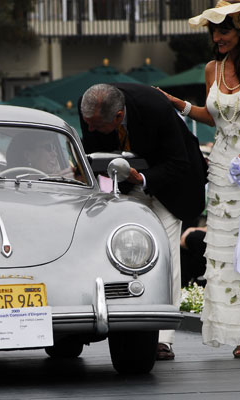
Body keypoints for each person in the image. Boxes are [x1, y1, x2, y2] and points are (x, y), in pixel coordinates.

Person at [159, 0, 240, 358]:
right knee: (226, 253)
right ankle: (238, 332)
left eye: (224, 31)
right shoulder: (211, 70)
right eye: (214, 31)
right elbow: (214, 117)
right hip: (221, 172)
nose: (217, 37)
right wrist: (178, 103)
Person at [79, 83, 207, 361]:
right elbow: (92, 154)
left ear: (118, 116)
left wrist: (143, 180)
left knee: (168, 255)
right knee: (126, 253)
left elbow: (178, 162)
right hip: (126, 185)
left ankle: (163, 338)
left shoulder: (155, 108)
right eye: (87, 123)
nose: (90, 129)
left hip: (171, 184)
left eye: (96, 125)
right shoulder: (89, 108)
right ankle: (132, 327)